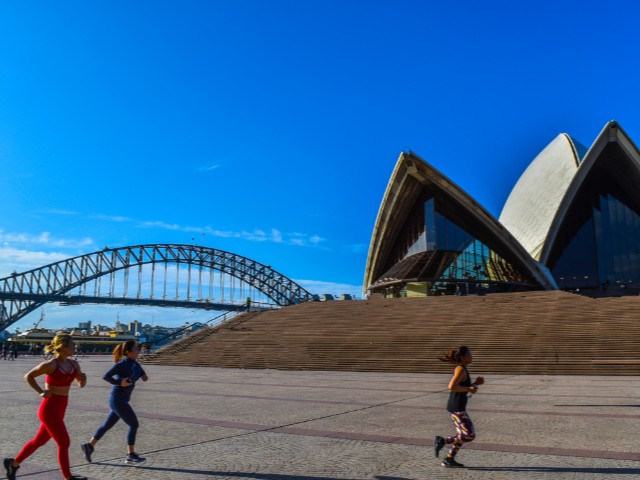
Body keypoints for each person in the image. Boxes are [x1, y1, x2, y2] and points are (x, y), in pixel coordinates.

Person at [3, 333, 88, 480]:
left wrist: (83, 380)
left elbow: (81, 385)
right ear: (63, 347)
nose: (74, 347)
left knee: (39, 441)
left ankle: (13, 463)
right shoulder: (51, 364)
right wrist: (41, 391)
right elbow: (28, 376)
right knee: (64, 442)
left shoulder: (74, 364)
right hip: (49, 409)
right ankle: (68, 477)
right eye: (72, 344)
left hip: (61, 409)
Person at [81, 340, 148, 465]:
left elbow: (142, 373)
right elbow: (106, 376)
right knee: (134, 424)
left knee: (106, 426)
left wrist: (144, 376)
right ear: (128, 352)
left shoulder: (136, 364)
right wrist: (119, 383)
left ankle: (89, 446)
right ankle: (130, 455)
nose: (138, 350)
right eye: (136, 348)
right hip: (117, 400)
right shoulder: (122, 364)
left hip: (121, 400)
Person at [434, 345, 484, 468]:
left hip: (457, 405)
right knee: (469, 434)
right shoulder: (460, 369)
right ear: (463, 357)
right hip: (457, 407)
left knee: (461, 435)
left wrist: (474, 384)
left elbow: (460, 387)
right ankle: (443, 441)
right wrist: (468, 388)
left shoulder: (464, 369)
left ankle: (449, 459)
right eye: (469, 354)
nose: (472, 356)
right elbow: (451, 386)